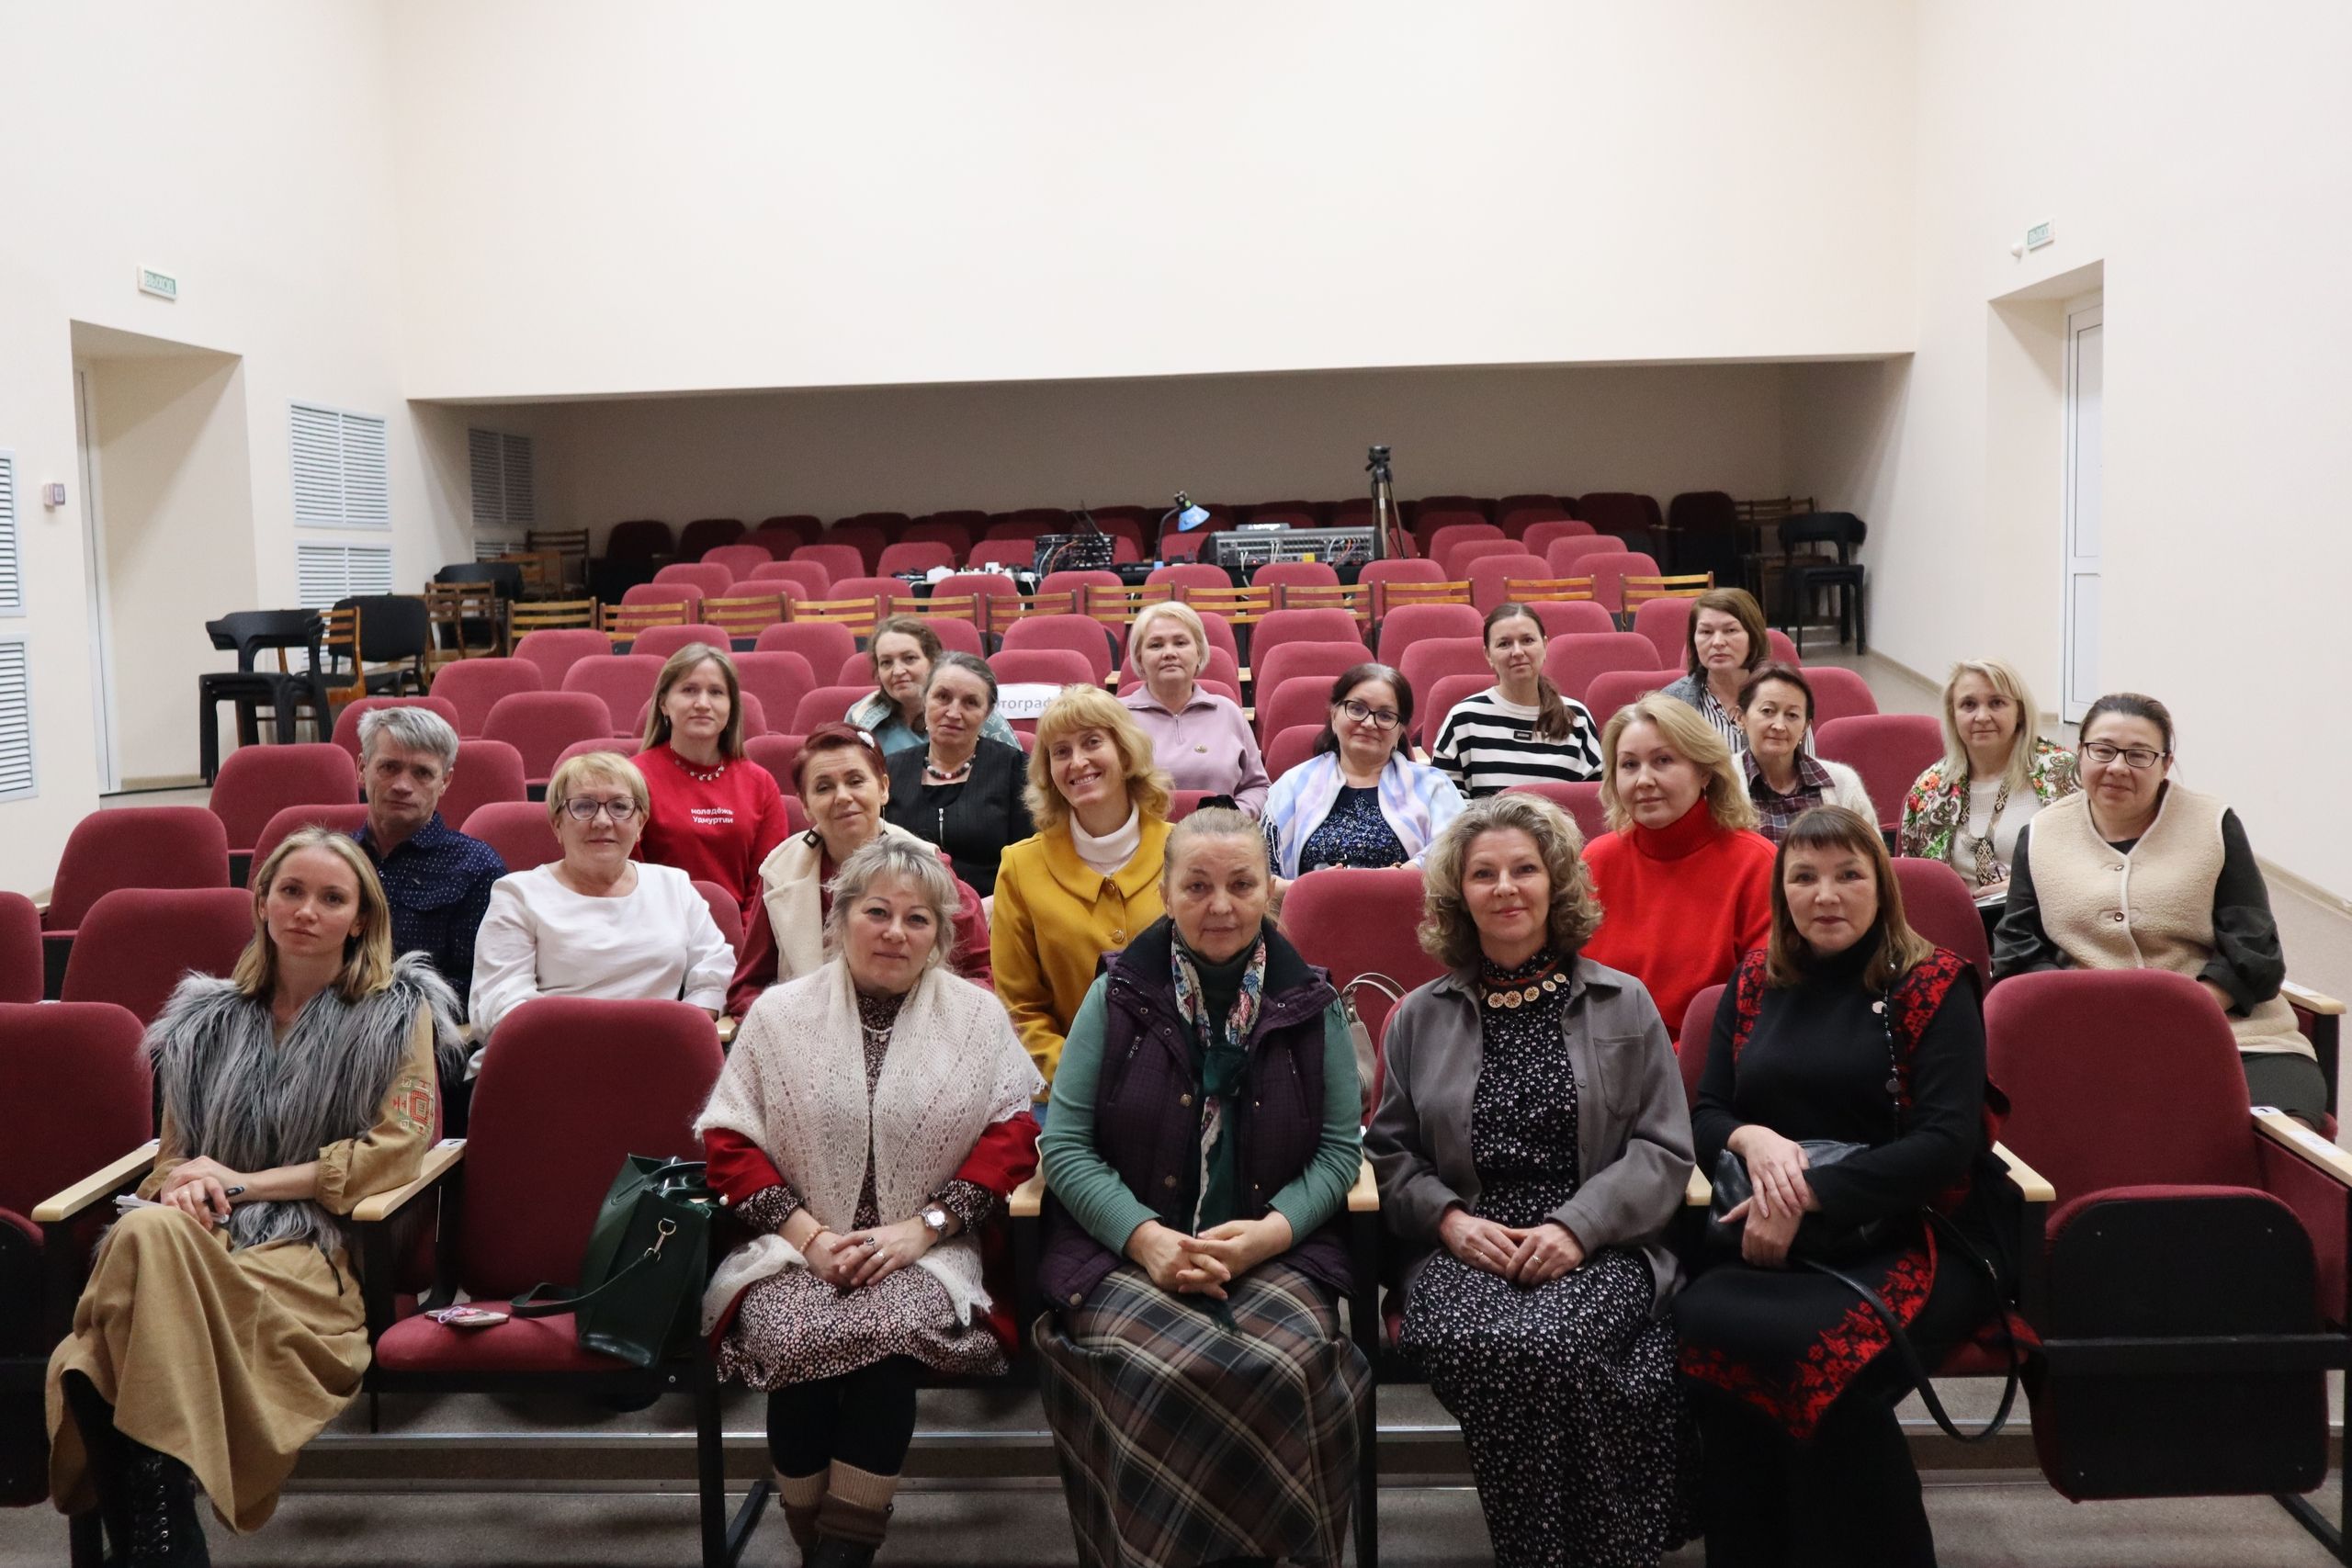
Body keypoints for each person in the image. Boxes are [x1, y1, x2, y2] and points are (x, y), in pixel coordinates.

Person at [47, 828, 465, 1559]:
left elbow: (393, 1154)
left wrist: (240, 1182)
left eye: (331, 897)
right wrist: (185, 1189)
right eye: (291, 891)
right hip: (197, 1234)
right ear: (262, 901)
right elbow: (173, 1161)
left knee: (94, 1348)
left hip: (308, 1248)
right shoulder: (205, 1021)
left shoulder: (396, 1013)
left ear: (360, 918)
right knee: (147, 1231)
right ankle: (164, 1533)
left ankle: (154, 1530)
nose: (307, 910)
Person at [1367, 794, 1695, 1567]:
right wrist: (1449, 1221)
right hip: (1461, 1246)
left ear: (1556, 884)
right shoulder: (1418, 1015)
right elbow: (1390, 1154)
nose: (1506, 887)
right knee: (1496, 1341)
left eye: (1525, 869)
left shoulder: (1624, 1000)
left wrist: (1576, 1227)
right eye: (1484, 873)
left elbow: (1663, 1148)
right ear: (1459, 893)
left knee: (1551, 1344)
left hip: (1603, 1242)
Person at [1036, 807, 1369, 1568]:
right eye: (1197, 886)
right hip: (1125, 1255)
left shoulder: (1313, 1003)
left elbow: (1337, 1154)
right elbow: (1065, 1147)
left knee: (1283, 1367)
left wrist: (1268, 1234)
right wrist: (1147, 1239)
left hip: (1275, 1253)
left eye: (1241, 884)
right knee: (1158, 1372)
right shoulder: (1116, 995)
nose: (1220, 905)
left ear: (1270, 891)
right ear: (1164, 893)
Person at [1677, 806, 2008, 1568]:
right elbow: (1707, 1113)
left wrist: (1807, 1194)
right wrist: (1753, 1139)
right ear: (1782, 891)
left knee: (1828, 1362)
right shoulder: (1755, 979)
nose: (1826, 894)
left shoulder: (1935, 982)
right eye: (1804, 877)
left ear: (1881, 885)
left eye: (1848, 874)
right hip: (1775, 1230)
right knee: (1703, 1323)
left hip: (1919, 1227)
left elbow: (1945, 1145)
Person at [698, 837, 1041, 1568]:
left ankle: (838, 1555)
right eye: (877, 912)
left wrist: (926, 1227)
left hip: (930, 1249)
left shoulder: (977, 1017)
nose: (895, 932)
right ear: (841, 916)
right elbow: (728, 1140)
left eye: (918, 919)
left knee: (887, 1342)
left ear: (940, 935)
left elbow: (1013, 1135)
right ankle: (813, 1535)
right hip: (794, 1246)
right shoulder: (778, 1014)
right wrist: (811, 1237)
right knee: (794, 1336)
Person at [1994, 692, 2325, 1125]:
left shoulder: (2214, 824)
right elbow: (2017, 951)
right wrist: (2085, 1012)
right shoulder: (2041, 834)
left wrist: (2178, 1014)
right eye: (2103, 750)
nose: (2117, 767)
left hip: (2232, 1033)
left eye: (2139, 755)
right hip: (2092, 1035)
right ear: (2080, 753)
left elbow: (2254, 948)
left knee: (2287, 1134)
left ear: (2165, 764)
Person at [467, 751, 733, 1043]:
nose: (603, 821)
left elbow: (715, 972)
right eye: (584, 806)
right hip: (547, 1054)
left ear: (640, 823)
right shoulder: (517, 895)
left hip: (658, 1052)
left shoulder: (674, 886)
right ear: (557, 823)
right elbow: (500, 1003)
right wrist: (598, 1046)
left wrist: (678, 1032)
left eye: (620, 807)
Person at [732, 722, 991, 1016]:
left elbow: (978, 977)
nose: (843, 797)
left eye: (855, 781)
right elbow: (748, 989)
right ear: (805, 805)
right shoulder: (780, 872)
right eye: (824, 787)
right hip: (805, 1031)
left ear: (883, 788)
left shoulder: (929, 866)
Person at [991, 685, 1174, 1100]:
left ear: (1125, 752)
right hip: (1067, 1093)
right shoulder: (1019, 867)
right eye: (1060, 751)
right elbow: (1020, 1010)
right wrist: (1083, 1079)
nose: (1077, 762)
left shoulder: (1185, 852)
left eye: (1092, 742)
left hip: (1181, 1090)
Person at [1581, 694, 1775, 1046]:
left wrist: (1666, 1064)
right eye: (1629, 765)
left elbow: (1762, 1004)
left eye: (1663, 760)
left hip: (1709, 1062)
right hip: (1598, 1058)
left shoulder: (1757, 863)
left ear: (1704, 772)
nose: (1644, 780)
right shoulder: (1597, 860)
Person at [633, 642, 794, 931]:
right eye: (689, 690)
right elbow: (628, 877)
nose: (702, 704)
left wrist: (739, 943)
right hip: (655, 935)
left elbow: (767, 883)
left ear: (731, 707)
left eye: (716, 692)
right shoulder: (633, 779)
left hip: (739, 941)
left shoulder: (759, 783)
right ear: (663, 703)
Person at [1260, 663, 1465, 886]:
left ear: (1400, 731)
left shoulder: (1434, 787)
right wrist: (1315, 888)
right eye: (1357, 709)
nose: (1368, 723)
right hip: (1311, 906)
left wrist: (1395, 878)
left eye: (1385, 716)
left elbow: (1454, 858)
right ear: (1334, 715)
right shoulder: (1292, 786)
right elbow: (1262, 880)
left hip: (1409, 905)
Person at [350, 705, 505, 1002]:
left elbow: (477, 985)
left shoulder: (476, 867)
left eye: (422, 773)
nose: (402, 786)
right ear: (362, 768)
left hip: (427, 1025)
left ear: (445, 781)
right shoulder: (332, 861)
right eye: (389, 767)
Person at [1897, 659, 2079, 904]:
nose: (1982, 716)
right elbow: (1913, 881)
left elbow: (2094, 859)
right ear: (1953, 715)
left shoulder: (2063, 772)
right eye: (1969, 705)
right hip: (1961, 919)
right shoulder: (1930, 786)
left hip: (2042, 914)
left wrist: (2026, 885)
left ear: (2020, 712)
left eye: (1997, 703)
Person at [882, 653, 1032, 897]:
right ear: (925, 700)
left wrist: (996, 905)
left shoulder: (1017, 770)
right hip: (905, 908)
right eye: (943, 697)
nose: (953, 712)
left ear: (987, 713)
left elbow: (1030, 863)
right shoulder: (889, 770)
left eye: (970, 702)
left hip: (996, 909)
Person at [1430, 602, 1605, 798]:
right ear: (1488, 655)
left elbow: (1598, 801)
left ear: (1545, 646)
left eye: (1527, 640)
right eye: (1504, 644)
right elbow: (1446, 806)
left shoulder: (1576, 718)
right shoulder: (1463, 720)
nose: (1518, 652)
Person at [1117, 600, 1270, 816]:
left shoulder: (1228, 712)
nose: (1169, 653)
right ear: (1139, 658)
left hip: (1221, 833)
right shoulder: (1115, 717)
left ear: (1199, 652)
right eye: (1156, 645)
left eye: (1180, 643)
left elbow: (1258, 787)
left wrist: (1233, 817)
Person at [1735, 662, 1876, 841]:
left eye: (1792, 715)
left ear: (1804, 728)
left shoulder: (1843, 783)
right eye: (1768, 711)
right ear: (1741, 718)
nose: (1779, 726)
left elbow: (1874, 856)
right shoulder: (1721, 782)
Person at [846, 615, 1019, 756]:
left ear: (933, 661)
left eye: (909, 658)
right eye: (886, 662)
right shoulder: (860, 717)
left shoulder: (975, 712)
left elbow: (1018, 774)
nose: (897, 671)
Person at [1661, 587, 1770, 752]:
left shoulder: (1784, 696)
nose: (1717, 642)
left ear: (1753, 637)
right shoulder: (1670, 702)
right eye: (1706, 632)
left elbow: (1805, 766)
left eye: (1730, 630)